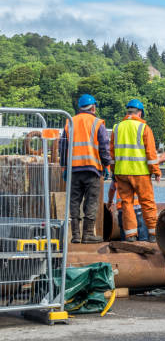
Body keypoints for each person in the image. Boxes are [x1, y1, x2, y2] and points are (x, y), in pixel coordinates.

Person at [107, 135, 165, 241]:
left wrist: (109, 203)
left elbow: (112, 189)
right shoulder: (142, 165)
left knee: (127, 242)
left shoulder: (120, 168)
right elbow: (163, 157)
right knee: (143, 242)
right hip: (139, 210)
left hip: (123, 212)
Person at [60, 94, 111, 244]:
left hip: (74, 170)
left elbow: (63, 147)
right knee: (91, 202)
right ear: (93, 107)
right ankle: (88, 234)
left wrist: (64, 168)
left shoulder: (70, 122)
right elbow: (104, 147)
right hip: (92, 169)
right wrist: (106, 165)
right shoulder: (97, 123)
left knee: (74, 201)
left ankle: (75, 235)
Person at [110, 99, 161, 243]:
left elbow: (112, 154)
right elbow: (151, 154)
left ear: (128, 112)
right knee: (147, 202)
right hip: (140, 173)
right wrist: (156, 171)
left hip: (121, 173)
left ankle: (130, 235)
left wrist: (114, 172)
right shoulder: (144, 128)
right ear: (140, 113)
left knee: (126, 204)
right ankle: (153, 234)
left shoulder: (117, 128)